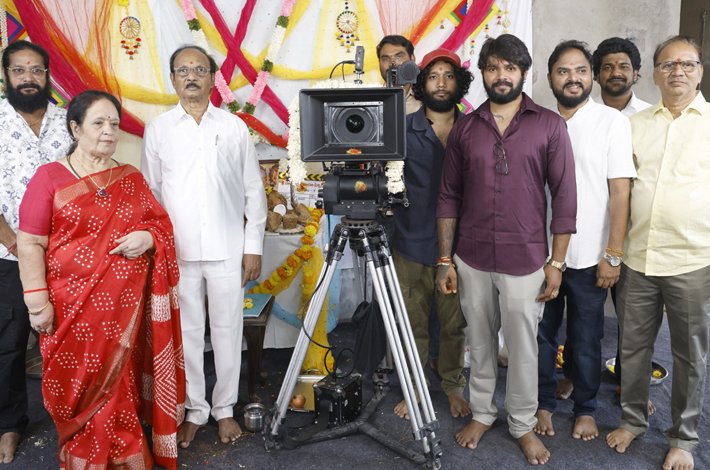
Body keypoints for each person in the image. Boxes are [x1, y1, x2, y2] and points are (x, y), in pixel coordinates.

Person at [16, 90, 185, 468]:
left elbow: (161, 226)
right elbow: (30, 242)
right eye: (98, 123)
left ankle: (124, 456)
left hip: (125, 312)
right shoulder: (49, 178)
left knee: (118, 383)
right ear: (75, 128)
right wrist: (37, 303)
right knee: (77, 386)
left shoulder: (131, 177)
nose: (109, 131)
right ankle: (86, 455)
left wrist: (148, 239)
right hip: (70, 310)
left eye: (114, 123)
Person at [436, 34, 577, 465]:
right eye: (494, 67)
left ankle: (521, 423)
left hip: (526, 258)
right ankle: (482, 413)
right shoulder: (466, 127)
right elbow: (448, 196)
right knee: (479, 343)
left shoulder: (549, 125)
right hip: (472, 256)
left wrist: (556, 263)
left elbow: (565, 197)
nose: (502, 75)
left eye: (510, 68)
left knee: (523, 348)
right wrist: (445, 259)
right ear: (482, 73)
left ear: (524, 73)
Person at [141, 45, 268, 449]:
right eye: (183, 70)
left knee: (228, 329)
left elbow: (253, 191)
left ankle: (224, 408)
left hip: (228, 246)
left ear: (213, 78)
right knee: (189, 332)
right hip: (177, 250)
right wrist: (158, 247)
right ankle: (195, 410)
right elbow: (152, 193)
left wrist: (253, 247)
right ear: (172, 78)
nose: (191, 76)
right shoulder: (158, 129)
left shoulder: (233, 127)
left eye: (199, 69)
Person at [606, 35, 709, 470]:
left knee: (689, 354)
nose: (677, 72)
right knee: (632, 347)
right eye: (668, 65)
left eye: (686, 64)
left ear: (699, 72)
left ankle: (683, 438)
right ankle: (632, 420)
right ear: (654, 73)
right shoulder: (636, 124)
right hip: (639, 256)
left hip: (693, 260)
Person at [534, 40, 635, 442]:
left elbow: (621, 191)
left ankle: (586, 408)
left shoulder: (612, 122)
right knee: (541, 334)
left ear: (591, 76)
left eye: (580, 71)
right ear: (550, 78)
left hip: (592, 253)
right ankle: (543, 402)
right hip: (540, 252)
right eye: (563, 71)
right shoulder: (538, 121)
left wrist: (613, 253)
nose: (572, 78)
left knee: (587, 336)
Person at [0, 40, 72, 464]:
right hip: (8, 255)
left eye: (36, 70)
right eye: (19, 70)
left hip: (66, 255)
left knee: (70, 339)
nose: (28, 78)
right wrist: (15, 242)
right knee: (8, 344)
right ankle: (10, 424)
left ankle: (74, 418)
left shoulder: (70, 121)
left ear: (47, 76)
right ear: (6, 76)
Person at [391, 48, 472, 421]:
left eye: (449, 75)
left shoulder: (473, 129)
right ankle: (415, 387)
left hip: (462, 245)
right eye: (434, 75)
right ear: (421, 83)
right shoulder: (403, 130)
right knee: (413, 321)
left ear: (460, 83)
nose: (441, 83)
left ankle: (453, 385)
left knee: (455, 323)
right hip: (411, 240)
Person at [593, 37, 652, 116]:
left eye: (624, 67)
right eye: (607, 68)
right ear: (597, 75)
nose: (616, 73)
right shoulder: (583, 115)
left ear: (635, 74)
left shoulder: (650, 115)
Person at [376, 35, 421, 114]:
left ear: (412, 58)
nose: (392, 63)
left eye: (399, 56)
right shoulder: (372, 102)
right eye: (385, 59)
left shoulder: (427, 99)